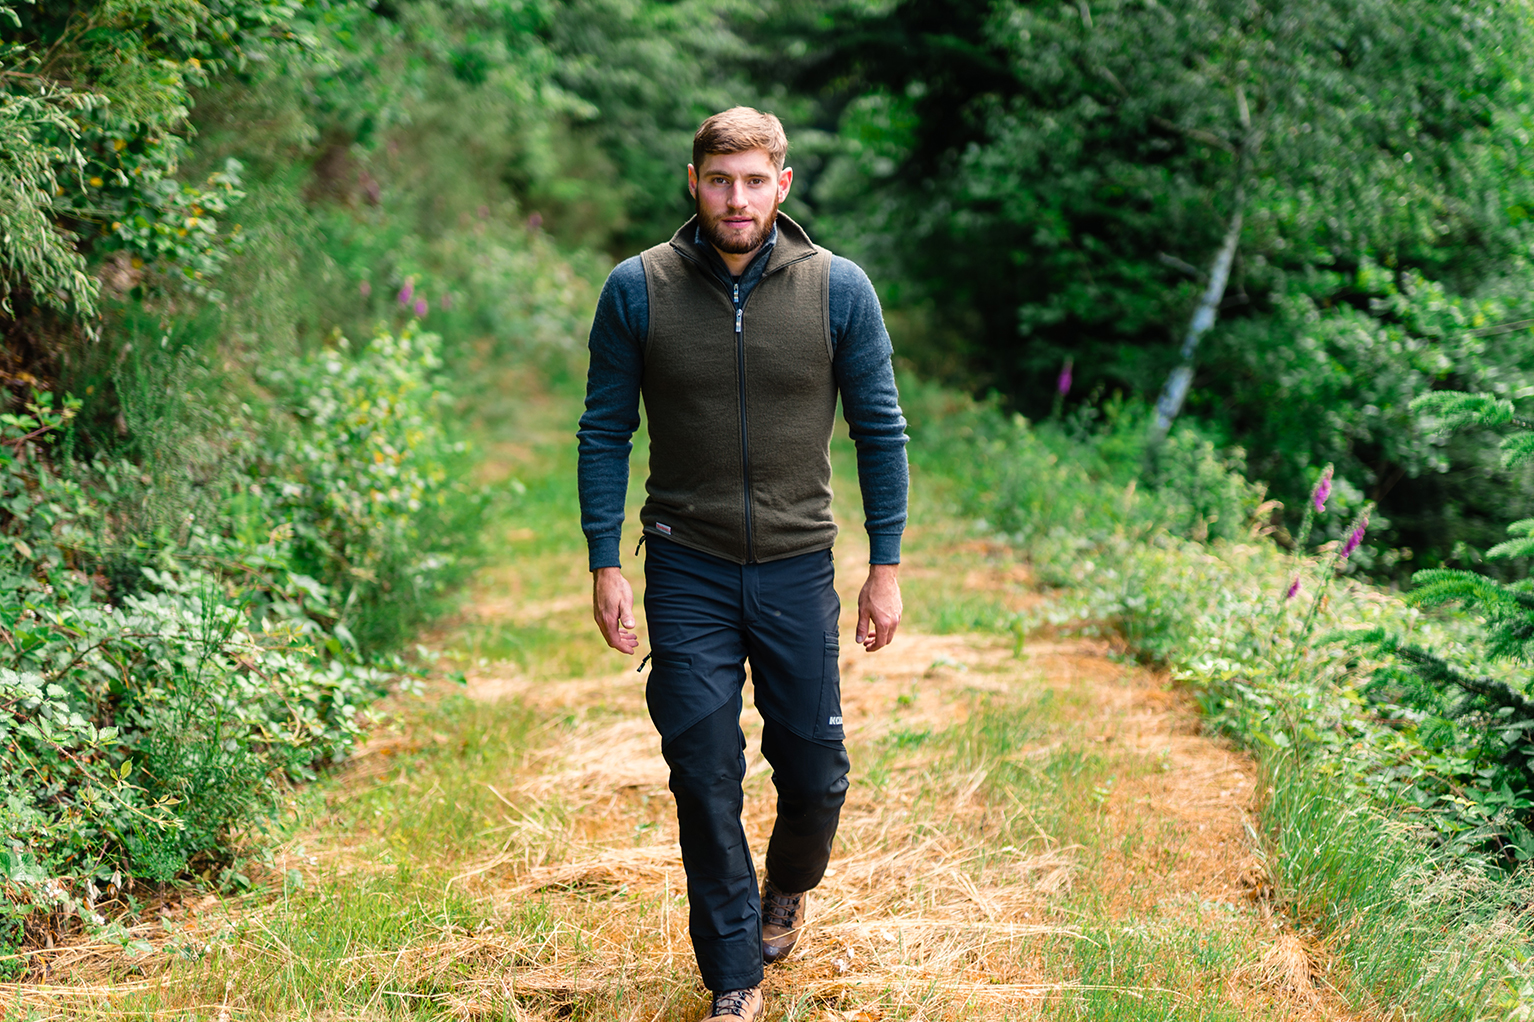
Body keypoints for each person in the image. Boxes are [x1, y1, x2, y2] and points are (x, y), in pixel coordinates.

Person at [577, 106, 909, 1022]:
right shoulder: (637, 288)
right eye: (720, 179)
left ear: (782, 186)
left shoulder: (838, 290)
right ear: (694, 181)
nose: (736, 198)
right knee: (703, 768)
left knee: (815, 770)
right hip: (687, 567)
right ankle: (732, 977)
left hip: (800, 566)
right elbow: (606, 431)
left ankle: (789, 882)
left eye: (754, 181)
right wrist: (605, 562)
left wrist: (885, 566)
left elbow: (880, 432)